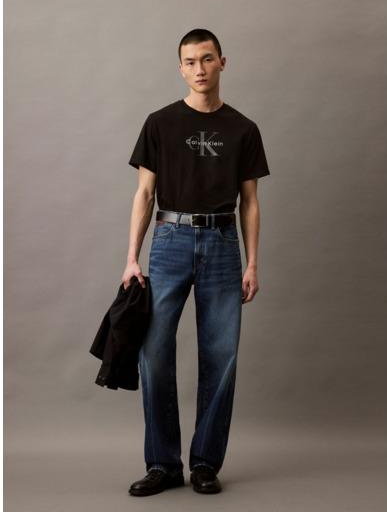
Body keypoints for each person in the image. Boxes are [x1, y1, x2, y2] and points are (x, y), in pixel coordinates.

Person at [122, 28, 270, 496]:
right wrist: (131, 258)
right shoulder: (160, 123)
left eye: (207, 59)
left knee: (221, 355)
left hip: (223, 242)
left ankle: (205, 462)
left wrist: (252, 263)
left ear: (222, 62)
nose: (199, 69)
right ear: (180, 68)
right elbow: (144, 193)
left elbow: (250, 202)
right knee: (153, 353)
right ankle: (163, 464)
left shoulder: (243, 129)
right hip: (169, 239)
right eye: (190, 61)